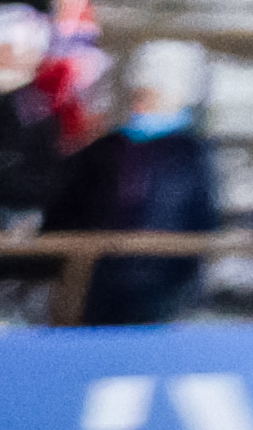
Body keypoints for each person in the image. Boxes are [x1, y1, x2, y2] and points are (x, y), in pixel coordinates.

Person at [55, 44, 225, 325]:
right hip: (97, 278)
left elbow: (201, 214)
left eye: (157, 91)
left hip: (160, 281)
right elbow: (71, 205)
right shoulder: (107, 148)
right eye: (143, 90)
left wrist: (186, 273)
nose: (145, 98)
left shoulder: (190, 153)